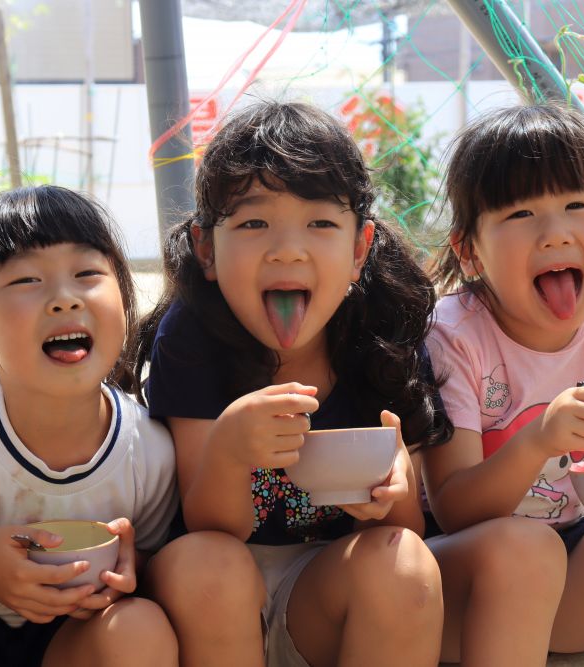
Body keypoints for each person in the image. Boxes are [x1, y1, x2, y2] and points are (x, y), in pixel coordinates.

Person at [135, 101, 449, 667]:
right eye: (254, 223)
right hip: (210, 602)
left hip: (326, 593)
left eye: (321, 223)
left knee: (403, 562)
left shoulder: (386, 334)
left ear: (359, 249)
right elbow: (211, 528)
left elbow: (409, 531)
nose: (287, 248)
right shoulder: (194, 334)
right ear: (206, 249)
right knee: (210, 565)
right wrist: (230, 453)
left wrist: (397, 492)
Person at [424, 102, 584, 664]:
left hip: (572, 571)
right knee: (525, 548)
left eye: (578, 204)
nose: (555, 233)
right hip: (464, 583)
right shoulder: (453, 336)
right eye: (521, 214)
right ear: (469, 250)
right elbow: (453, 509)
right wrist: (538, 440)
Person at [0, 185, 179, 667]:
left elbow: (152, 565)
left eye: (86, 274)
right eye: (27, 281)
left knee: (139, 625)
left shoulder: (149, 448)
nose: (64, 299)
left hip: (76, 641)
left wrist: (129, 570)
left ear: (125, 304)